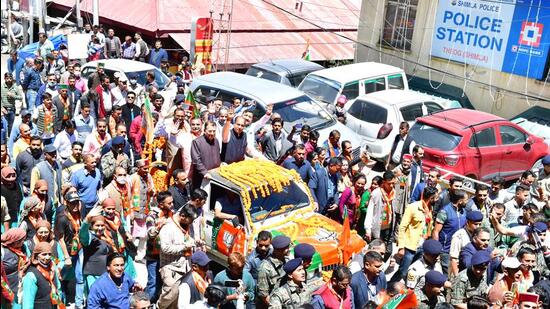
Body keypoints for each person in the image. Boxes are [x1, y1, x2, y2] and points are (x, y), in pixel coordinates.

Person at [393, 186, 438, 283]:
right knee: (403, 272)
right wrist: (401, 247)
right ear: (431, 198)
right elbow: (402, 227)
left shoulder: (430, 210)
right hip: (410, 246)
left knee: (412, 273)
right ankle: (390, 287)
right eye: (436, 197)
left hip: (422, 246)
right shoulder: (413, 207)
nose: (437, 200)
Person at [157, 205, 198, 309]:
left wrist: (195, 242)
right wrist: (184, 247)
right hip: (171, 268)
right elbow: (165, 248)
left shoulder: (185, 225)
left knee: (177, 298)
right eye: (190, 220)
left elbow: (187, 240)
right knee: (169, 294)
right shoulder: (168, 227)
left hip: (185, 267)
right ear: (183, 216)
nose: (191, 222)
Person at [432, 189, 468, 274]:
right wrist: (436, 250)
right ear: (460, 201)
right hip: (446, 251)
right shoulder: (444, 212)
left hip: (459, 251)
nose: (467, 202)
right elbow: (435, 231)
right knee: (447, 276)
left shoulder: (464, 212)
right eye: (466, 200)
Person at [20, 241, 64, 308]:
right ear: (36, 255)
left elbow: (58, 289)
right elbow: (27, 303)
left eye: (49, 254)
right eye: (44, 254)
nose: (47, 257)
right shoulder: (31, 275)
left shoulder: (52, 269)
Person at [364, 170, 397, 250]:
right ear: (383, 182)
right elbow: (370, 212)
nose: (392, 186)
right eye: (389, 184)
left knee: (388, 251)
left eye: (393, 183)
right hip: (378, 228)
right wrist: (368, 229)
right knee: (376, 250)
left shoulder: (393, 193)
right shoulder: (376, 194)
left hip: (389, 227)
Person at [257, 235, 291, 308]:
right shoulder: (265, 268)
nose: (288, 249)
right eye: (286, 248)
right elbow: (264, 296)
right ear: (278, 251)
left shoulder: (286, 260)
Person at [449, 210, 484, 276]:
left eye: (480, 224)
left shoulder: (479, 235)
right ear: (468, 223)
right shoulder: (459, 236)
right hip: (461, 272)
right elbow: (454, 259)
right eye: (476, 224)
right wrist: (457, 277)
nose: (478, 227)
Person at [30, 144, 63, 208]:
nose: (55, 155)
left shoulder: (58, 165)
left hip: (57, 203)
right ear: (45, 155)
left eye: (55, 153)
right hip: (43, 204)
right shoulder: (38, 168)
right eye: (51, 153)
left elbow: (61, 184)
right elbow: (33, 189)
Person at [1, 228, 27, 308]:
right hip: (8, 289)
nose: (23, 242)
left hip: (20, 287)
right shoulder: (3, 252)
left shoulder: (23, 248)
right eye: (22, 240)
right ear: (15, 241)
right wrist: (8, 294)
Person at [191, 121, 221, 189]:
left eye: (214, 131)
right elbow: (196, 160)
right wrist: (204, 172)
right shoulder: (197, 142)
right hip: (202, 177)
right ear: (204, 131)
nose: (212, 133)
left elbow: (218, 156)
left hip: (215, 176)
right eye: (210, 131)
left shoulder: (216, 141)